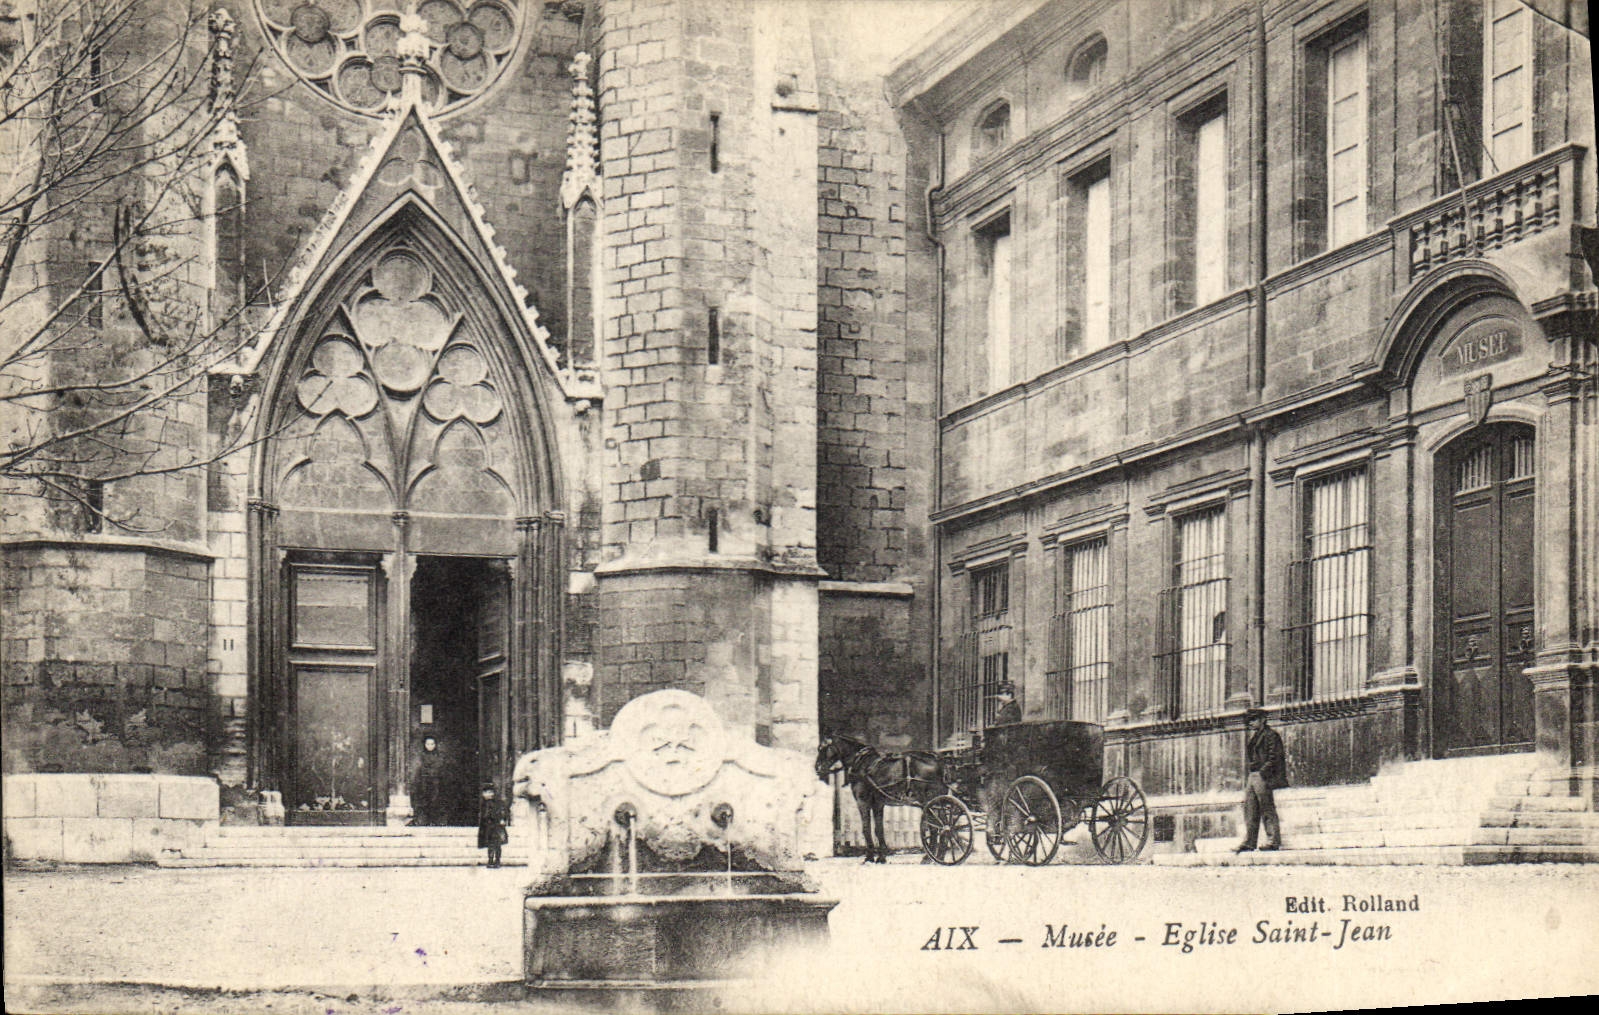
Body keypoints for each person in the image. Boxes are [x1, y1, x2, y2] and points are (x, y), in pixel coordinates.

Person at [1235, 707, 1286, 852]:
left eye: (1254, 719)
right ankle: (1250, 842)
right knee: (1250, 808)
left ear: (1263, 719)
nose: (1251, 723)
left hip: (1263, 775)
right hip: (1253, 775)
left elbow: (1274, 757)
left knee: (1266, 808)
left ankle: (1273, 840)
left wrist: (1263, 773)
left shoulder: (1271, 735)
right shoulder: (1256, 736)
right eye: (1249, 720)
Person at [478, 783, 508, 868]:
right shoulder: (484, 803)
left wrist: (503, 819)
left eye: (491, 792)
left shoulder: (498, 802)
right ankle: (490, 860)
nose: (489, 794)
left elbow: (503, 811)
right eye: (487, 792)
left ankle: (497, 860)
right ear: (483, 794)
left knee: (497, 844)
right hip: (488, 826)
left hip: (496, 826)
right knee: (490, 844)